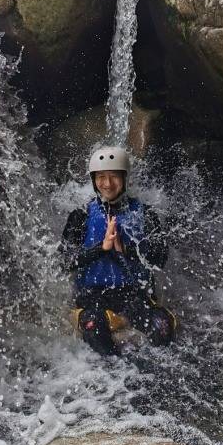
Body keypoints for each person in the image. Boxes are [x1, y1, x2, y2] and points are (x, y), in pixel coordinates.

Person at [60, 146, 175, 356]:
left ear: (125, 178)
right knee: (94, 329)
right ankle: (113, 378)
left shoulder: (146, 214)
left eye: (114, 177)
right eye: (101, 177)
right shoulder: (80, 215)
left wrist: (126, 249)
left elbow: (160, 258)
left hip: (135, 295)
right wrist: (101, 249)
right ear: (94, 180)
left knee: (162, 328)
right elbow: (64, 262)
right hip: (92, 296)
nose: (107, 184)